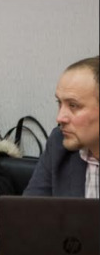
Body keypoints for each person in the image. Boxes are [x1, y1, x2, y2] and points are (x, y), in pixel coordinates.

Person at [24, 56, 99, 198]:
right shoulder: (58, 143)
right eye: (59, 103)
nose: (59, 118)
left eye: (73, 105)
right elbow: (30, 209)